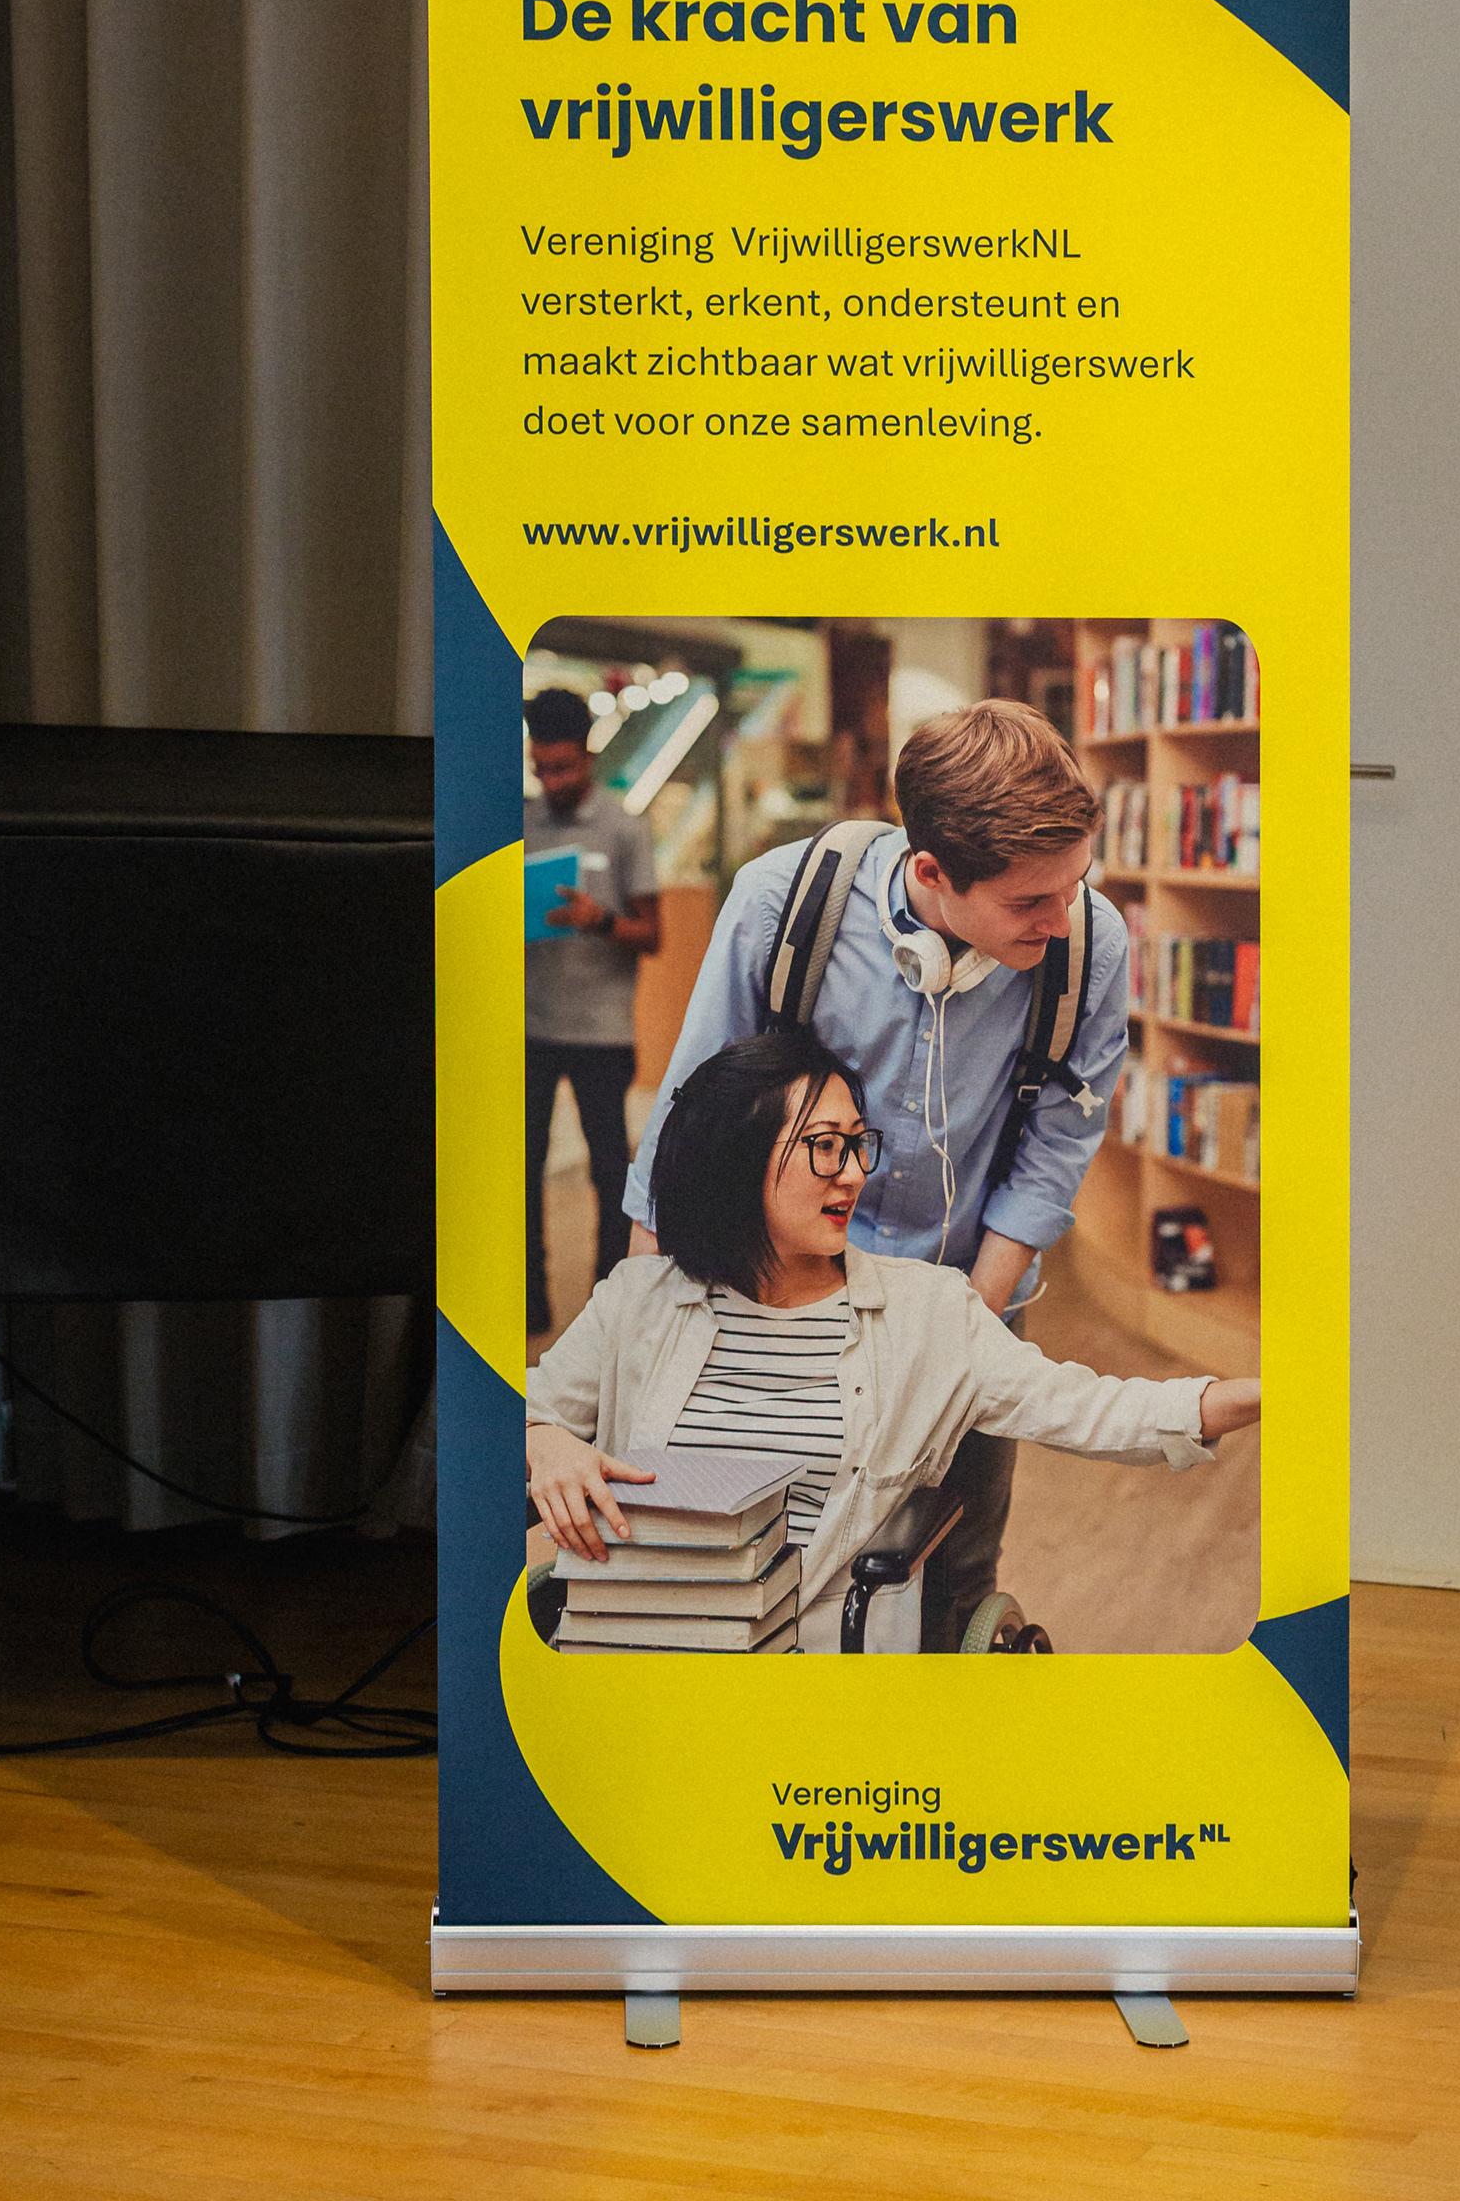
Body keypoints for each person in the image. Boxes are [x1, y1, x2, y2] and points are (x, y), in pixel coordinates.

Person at [621, 700, 1130, 1644]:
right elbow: (687, 1125)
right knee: (758, 1569)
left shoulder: (1090, 947)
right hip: (775, 1305)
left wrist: (958, 1328)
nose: (1062, 921)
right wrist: (644, 1334)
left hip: (969, 1294)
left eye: (1075, 885)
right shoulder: (782, 906)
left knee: (950, 1572)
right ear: (931, 871)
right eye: (1029, 902)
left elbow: (1055, 1145)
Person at [527, 1031, 1260, 1651]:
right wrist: (546, 1442)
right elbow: (520, 1412)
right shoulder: (639, 1299)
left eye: (857, 1145)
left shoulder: (926, 1313)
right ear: (736, 1156)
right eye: (824, 1147)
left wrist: (1254, 1394)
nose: (854, 1174)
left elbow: (1093, 1410)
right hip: (629, 1653)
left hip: (806, 1669)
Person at [523, 685, 661, 1339]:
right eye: (541, 767)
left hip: (603, 1032)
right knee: (520, 1171)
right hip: (529, 1027)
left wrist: (597, 919)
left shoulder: (625, 827)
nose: (552, 780)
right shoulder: (518, 822)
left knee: (609, 1171)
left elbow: (653, 933)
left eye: (563, 767)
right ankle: (528, 1302)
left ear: (588, 756)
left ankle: (608, 1305)